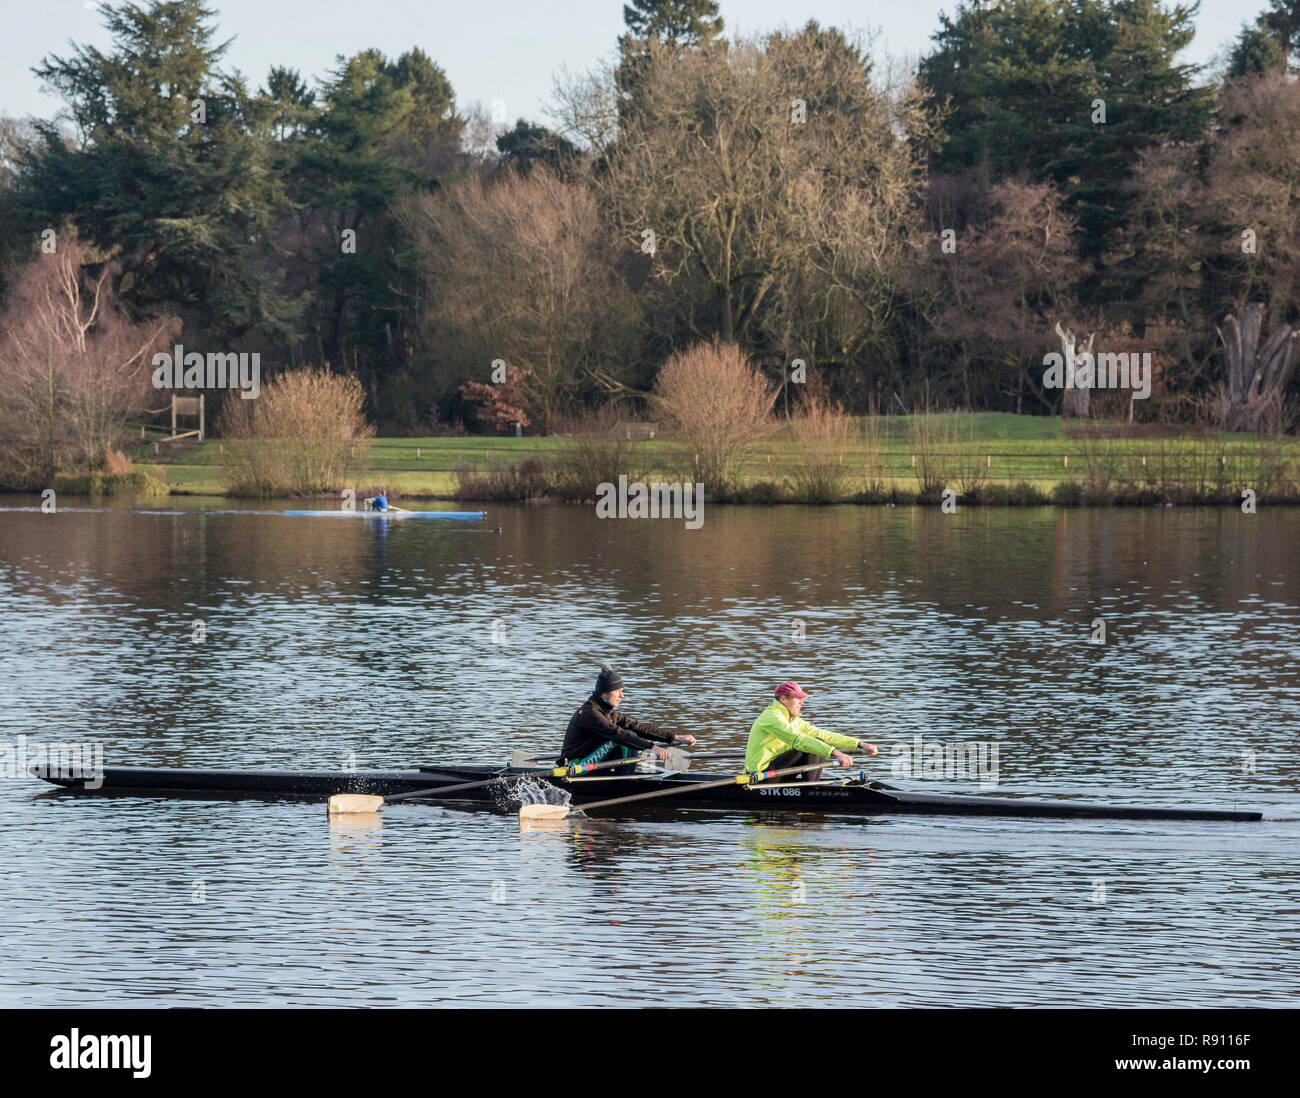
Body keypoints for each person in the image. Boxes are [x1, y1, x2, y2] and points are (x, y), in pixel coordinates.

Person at [560, 665, 696, 774]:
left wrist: (675, 737)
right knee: (626, 737)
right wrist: (652, 748)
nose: (622, 695)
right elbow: (617, 734)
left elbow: (639, 727)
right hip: (575, 766)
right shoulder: (590, 713)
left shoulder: (609, 713)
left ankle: (625, 778)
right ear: (605, 692)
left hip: (590, 761)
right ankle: (625, 781)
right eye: (618, 691)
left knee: (633, 732)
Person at [745, 681, 877, 780]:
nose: (802, 703)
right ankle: (812, 790)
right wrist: (835, 753)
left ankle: (812, 785)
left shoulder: (793, 720)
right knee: (809, 745)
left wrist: (859, 744)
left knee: (818, 740)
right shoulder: (772, 717)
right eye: (798, 699)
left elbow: (823, 735)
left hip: (777, 771)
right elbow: (799, 740)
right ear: (783, 699)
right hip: (760, 776)